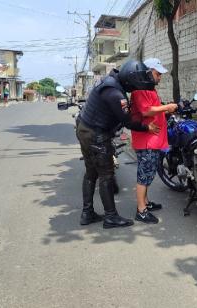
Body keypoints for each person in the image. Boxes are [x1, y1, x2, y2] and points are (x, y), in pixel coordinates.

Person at [76, 60, 160, 229]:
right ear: (129, 80)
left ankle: (87, 213)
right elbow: (128, 122)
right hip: (96, 134)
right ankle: (111, 217)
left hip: (84, 129)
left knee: (91, 173)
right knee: (106, 174)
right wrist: (146, 126)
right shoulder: (115, 93)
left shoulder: (111, 80)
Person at [130, 58, 177, 224]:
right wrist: (167, 107)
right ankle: (141, 210)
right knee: (144, 175)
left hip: (152, 141)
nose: (160, 77)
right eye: (157, 73)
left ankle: (146, 203)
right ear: (148, 72)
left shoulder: (148, 89)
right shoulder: (139, 91)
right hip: (146, 142)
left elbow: (154, 110)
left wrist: (166, 111)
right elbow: (146, 111)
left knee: (148, 174)